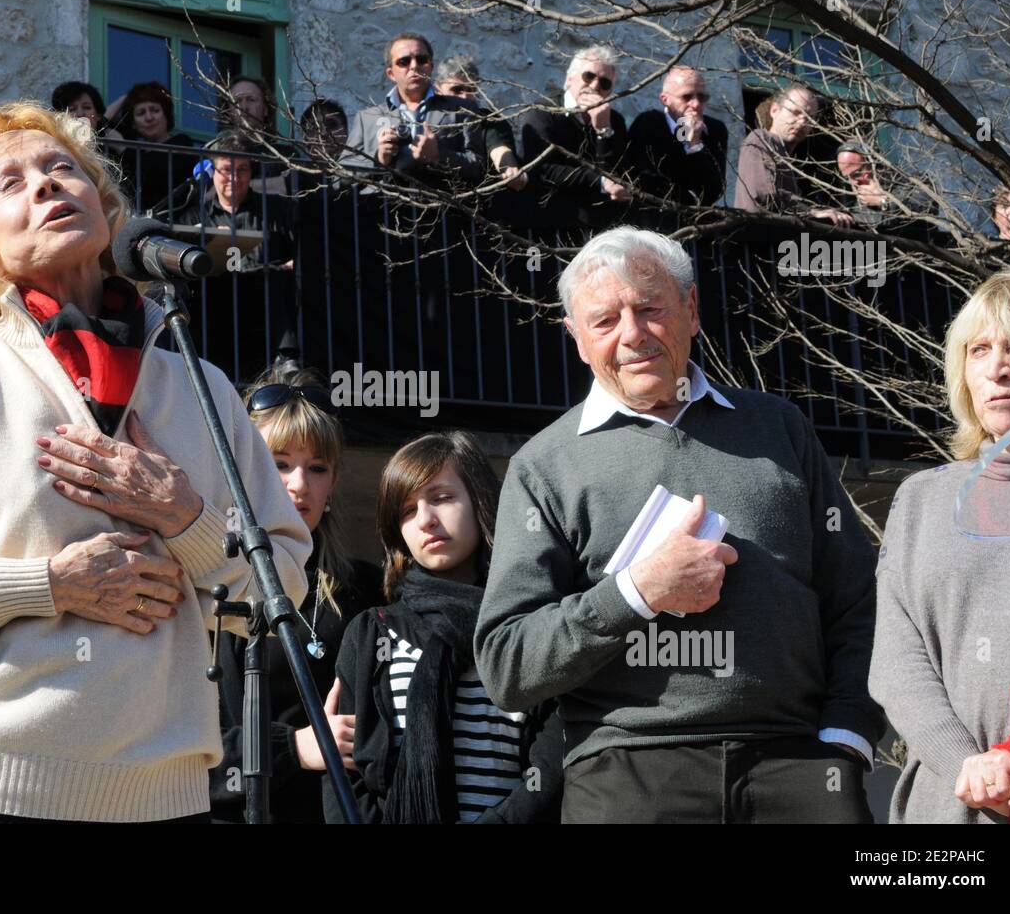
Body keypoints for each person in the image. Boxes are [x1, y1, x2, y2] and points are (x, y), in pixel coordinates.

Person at [0, 101, 312, 824]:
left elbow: (287, 583)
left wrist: (186, 519)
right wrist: (46, 584)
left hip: (168, 800)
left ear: (107, 207)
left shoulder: (203, 388)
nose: (46, 186)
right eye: (10, 183)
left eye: (63, 169)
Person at [475, 225, 885, 823]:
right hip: (628, 773)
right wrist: (635, 593)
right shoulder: (544, 466)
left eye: (650, 309)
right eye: (605, 321)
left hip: (797, 767)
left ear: (691, 311)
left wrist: (849, 735)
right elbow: (507, 664)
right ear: (577, 339)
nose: (633, 335)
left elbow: (858, 600)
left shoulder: (779, 429)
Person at [325, 431, 564, 824]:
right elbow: (342, 773)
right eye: (406, 509)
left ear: (480, 501)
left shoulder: (526, 623)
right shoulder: (371, 633)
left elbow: (552, 765)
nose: (425, 520)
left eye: (441, 498)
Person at [869, 268, 1010, 823]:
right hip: (947, 805)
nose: (996, 369)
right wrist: (965, 761)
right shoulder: (922, 499)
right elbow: (897, 662)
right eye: (978, 350)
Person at [210, 365, 386, 823]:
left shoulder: (368, 592)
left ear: (333, 484)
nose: (298, 485)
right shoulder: (203, 586)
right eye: (279, 463)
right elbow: (178, 747)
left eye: (318, 467)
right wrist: (292, 747)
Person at [172, 130, 300, 380]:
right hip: (217, 305)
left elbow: (300, 251)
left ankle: (285, 358)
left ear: (251, 173)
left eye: (242, 169)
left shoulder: (275, 209)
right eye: (226, 169)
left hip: (265, 301)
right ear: (212, 172)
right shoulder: (194, 217)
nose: (234, 177)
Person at [340, 32, 489, 187]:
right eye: (404, 61)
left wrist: (439, 156)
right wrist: (378, 158)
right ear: (391, 73)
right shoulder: (367, 118)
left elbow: (479, 168)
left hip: (441, 206)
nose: (414, 66)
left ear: (430, 66)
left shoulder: (462, 109)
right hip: (381, 207)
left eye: (421, 59)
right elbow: (340, 176)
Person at [520, 45, 634, 232]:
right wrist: (600, 182)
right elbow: (540, 168)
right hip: (554, 223)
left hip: (602, 226)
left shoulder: (614, 121)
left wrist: (603, 132)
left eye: (605, 83)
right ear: (569, 79)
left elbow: (619, 174)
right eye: (589, 76)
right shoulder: (544, 111)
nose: (595, 86)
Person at [733, 85, 853, 227]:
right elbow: (764, 195)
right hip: (760, 241)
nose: (802, 122)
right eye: (795, 112)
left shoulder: (785, 154)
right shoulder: (760, 139)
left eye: (810, 118)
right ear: (774, 110)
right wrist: (810, 212)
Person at [627, 65, 728, 207]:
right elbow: (646, 180)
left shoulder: (715, 129)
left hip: (696, 219)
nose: (696, 104)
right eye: (686, 97)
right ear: (665, 99)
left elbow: (715, 188)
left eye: (702, 97)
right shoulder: (649, 124)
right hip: (655, 215)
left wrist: (694, 145)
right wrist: (688, 197)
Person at [433, 54, 527, 191]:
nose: (465, 96)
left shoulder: (488, 120)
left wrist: (509, 169)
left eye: (470, 89)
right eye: (457, 90)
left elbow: (498, 148)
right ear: (438, 90)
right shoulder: (429, 119)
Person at [111, 81, 197, 211]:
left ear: (166, 115)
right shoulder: (136, 152)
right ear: (133, 123)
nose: (149, 117)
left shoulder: (182, 142)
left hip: (176, 223)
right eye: (141, 113)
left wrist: (123, 149)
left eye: (155, 110)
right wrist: (125, 98)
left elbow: (157, 171)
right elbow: (99, 126)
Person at [834, 142, 937, 227]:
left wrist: (883, 202)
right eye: (847, 178)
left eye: (856, 174)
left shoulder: (912, 182)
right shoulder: (859, 211)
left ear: (873, 164)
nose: (854, 182)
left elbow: (924, 213)